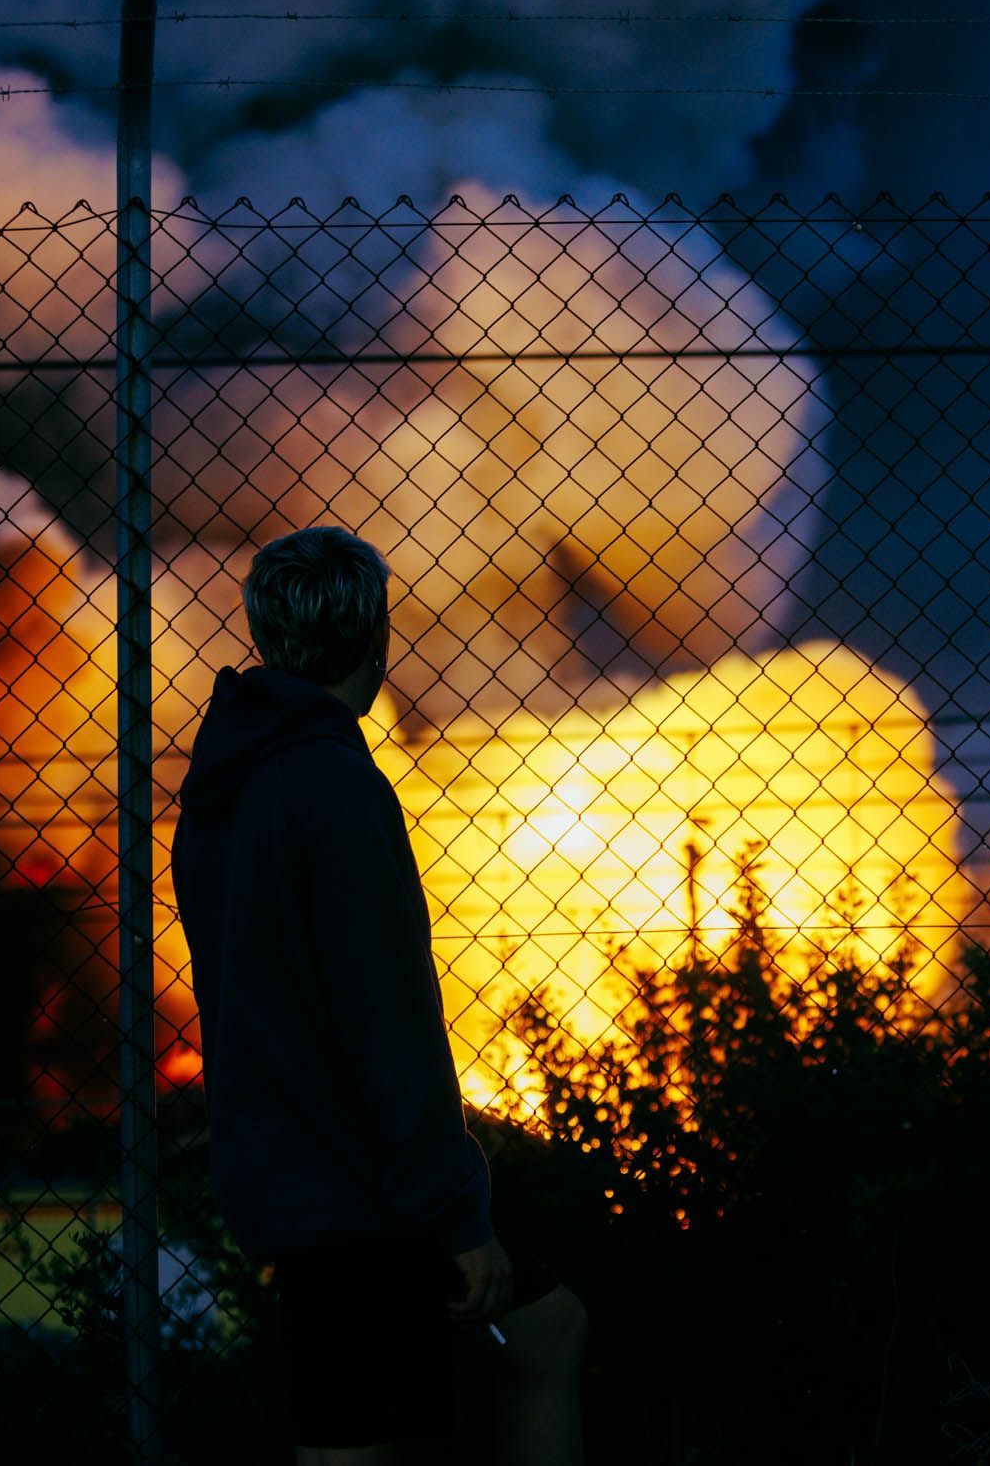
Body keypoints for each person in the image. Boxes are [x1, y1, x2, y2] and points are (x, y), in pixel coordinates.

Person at [172, 525, 587, 1464]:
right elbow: (388, 1021)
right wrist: (457, 1217)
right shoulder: (335, 784)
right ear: (377, 636)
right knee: (359, 1439)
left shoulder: (218, 795)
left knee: (542, 1330)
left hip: (283, 1168)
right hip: (359, 1187)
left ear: (268, 635)